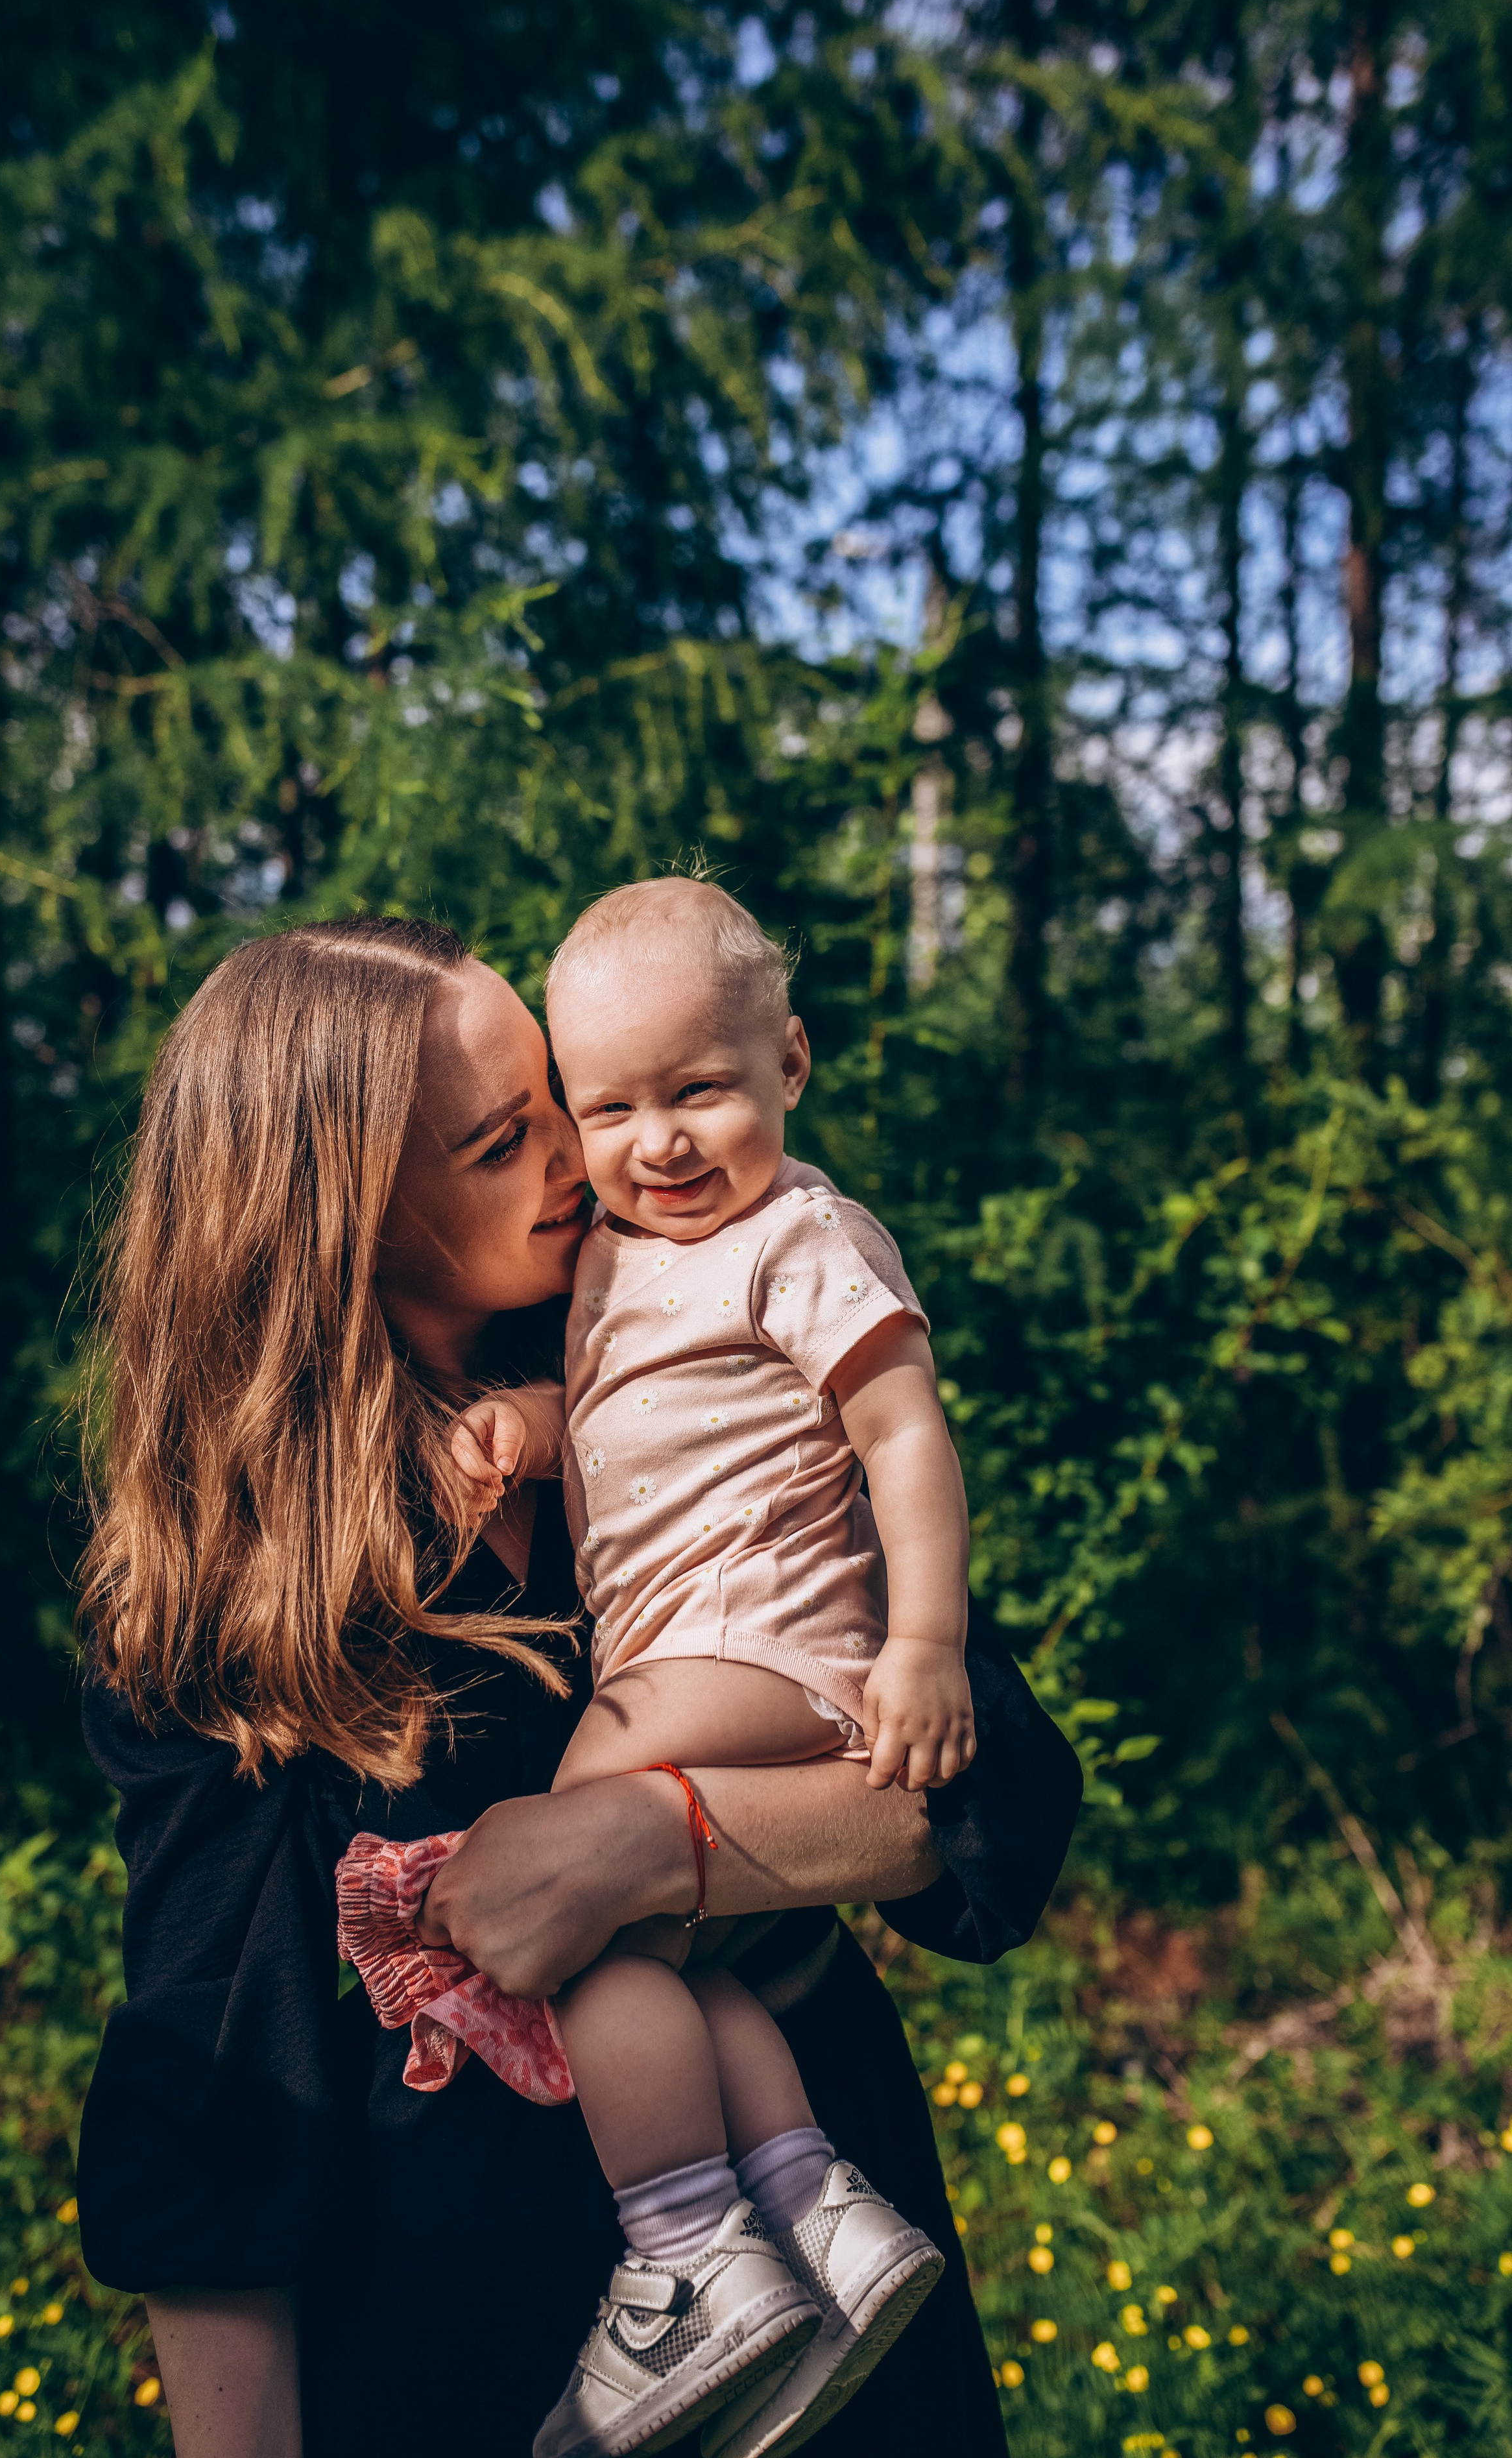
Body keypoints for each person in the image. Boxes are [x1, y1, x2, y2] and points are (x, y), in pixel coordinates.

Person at [74, 914, 1081, 2458]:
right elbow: (217, 2089)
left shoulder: (681, 1337)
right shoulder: (229, 1588)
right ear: (349, 1212)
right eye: (505, 1140)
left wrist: (646, 1843)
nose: (585, 1155)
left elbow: (980, 1812)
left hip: (834, 2266)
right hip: (494, 2332)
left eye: (560, 1101)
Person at [426, 879, 967, 2458]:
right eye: (608, 1109)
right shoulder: (617, 1255)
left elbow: (902, 1436)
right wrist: (518, 1436)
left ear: (788, 1067)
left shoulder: (798, 1236)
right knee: (662, 1963)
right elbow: (611, 1415)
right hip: (699, 1654)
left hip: (754, 1643)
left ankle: (683, 2258)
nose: (655, 1141)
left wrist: (924, 1645)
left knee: (559, 1895)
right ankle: (817, 2220)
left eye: (699, 1091)